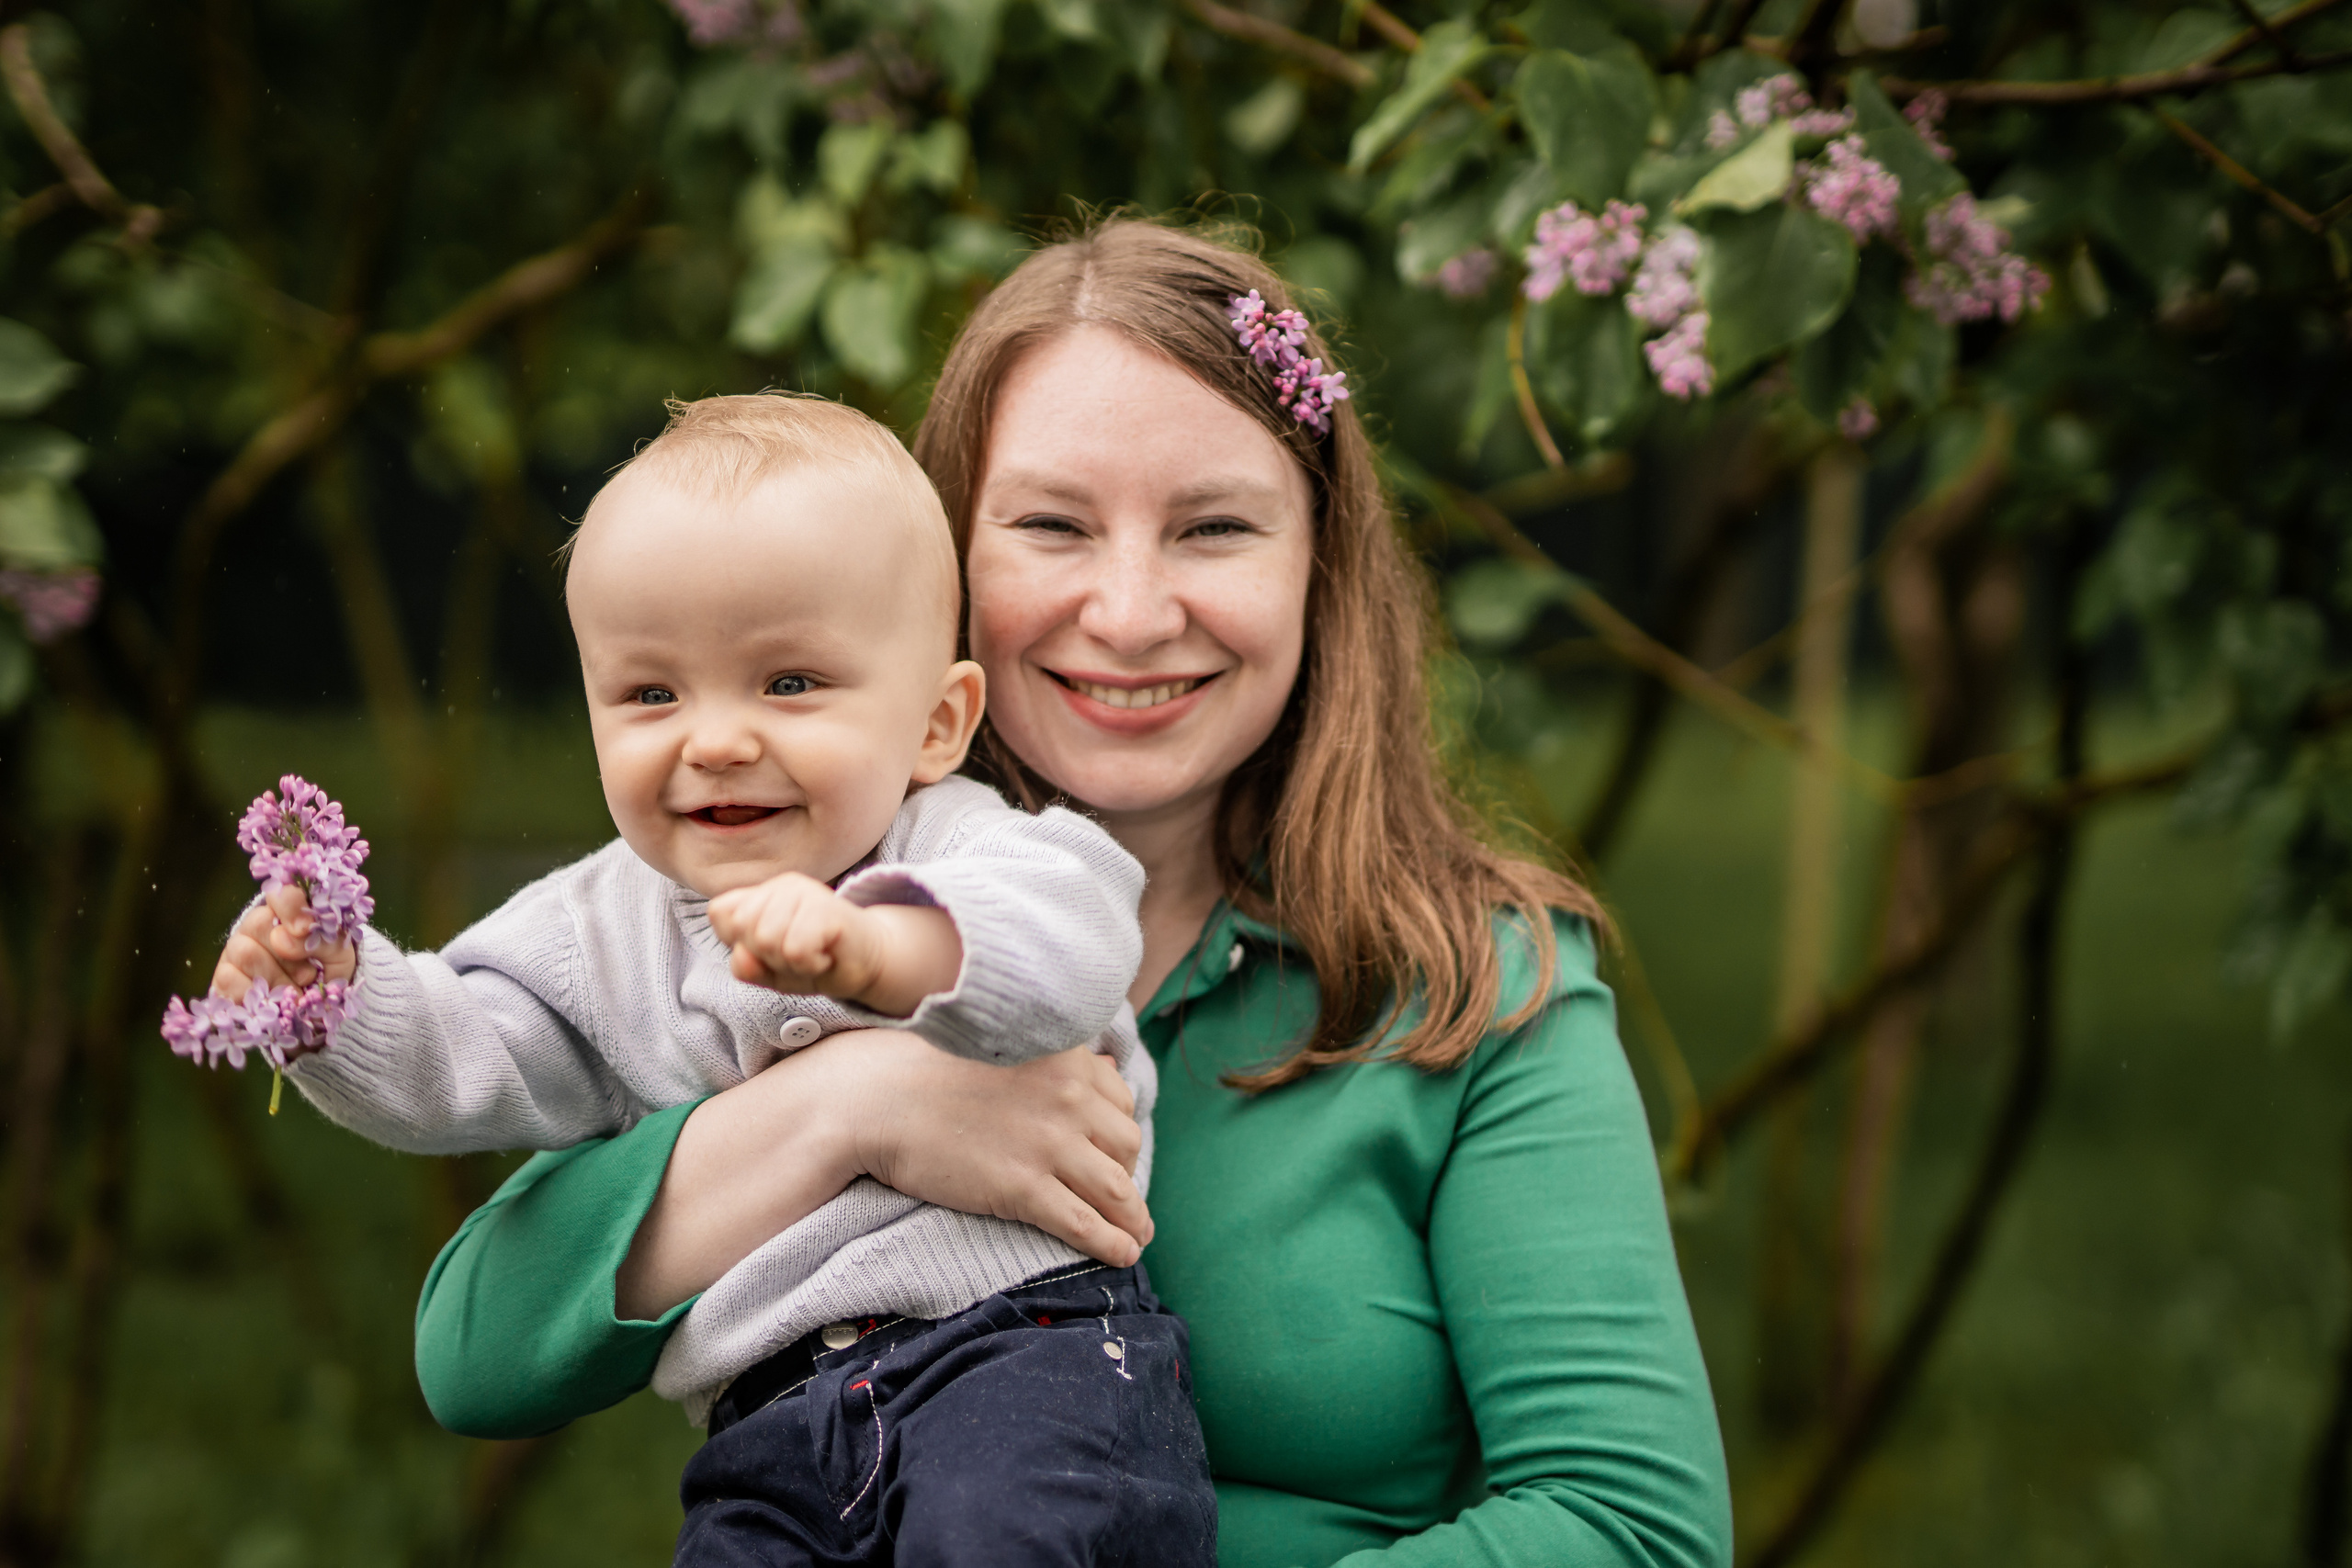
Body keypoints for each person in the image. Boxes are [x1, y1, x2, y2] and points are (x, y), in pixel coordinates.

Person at [414, 220, 1736, 1568]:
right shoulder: (791, 910)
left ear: (1316, 564)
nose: (1129, 608)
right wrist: (851, 1106)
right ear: (939, 571)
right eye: (1051, 525)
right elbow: (475, 1352)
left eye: (1214, 527)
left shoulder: (1476, 982)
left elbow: (1632, 1525)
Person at [204, 393, 1216, 1565]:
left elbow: (1068, 938)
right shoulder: (600, 925)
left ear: (937, 723)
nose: (714, 738)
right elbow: (468, 1052)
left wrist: (883, 949)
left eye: (788, 684)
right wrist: (331, 997)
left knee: (1000, 1541)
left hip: (1024, 1359)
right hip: (771, 1419)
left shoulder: (962, 847)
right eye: (650, 693)